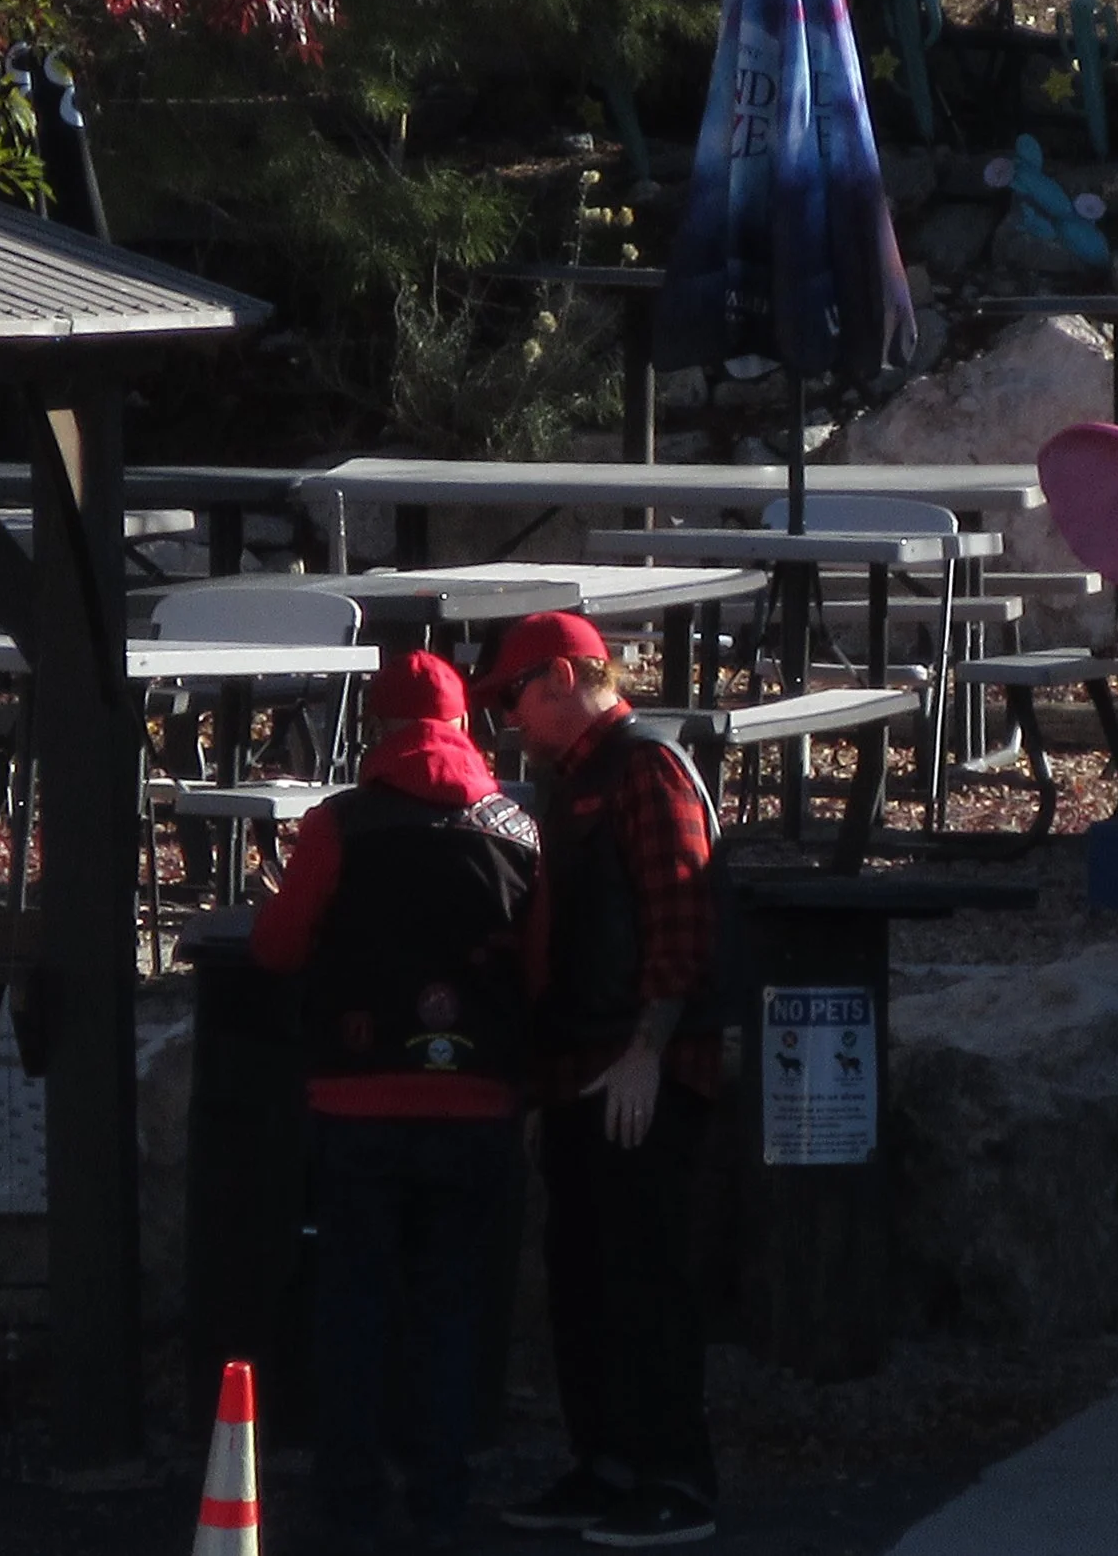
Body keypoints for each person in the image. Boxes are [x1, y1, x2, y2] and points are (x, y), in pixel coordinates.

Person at [249, 649, 541, 1554]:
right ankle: (442, 1494)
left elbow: (278, 947)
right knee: (451, 1304)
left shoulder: (340, 823)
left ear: (378, 729)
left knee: (355, 1302)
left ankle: (350, 1497)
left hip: (356, 1094)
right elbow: (542, 965)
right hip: (477, 1097)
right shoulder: (516, 827)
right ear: (463, 726)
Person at [478, 612, 722, 1549]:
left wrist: (648, 1049)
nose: (510, 716)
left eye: (518, 694)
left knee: (647, 1277)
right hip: (585, 1069)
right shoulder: (576, 778)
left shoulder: (644, 769)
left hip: (638, 1070)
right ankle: (609, 1463)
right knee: (582, 1278)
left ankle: (676, 1477)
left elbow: (681, 913)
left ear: (570, 676)